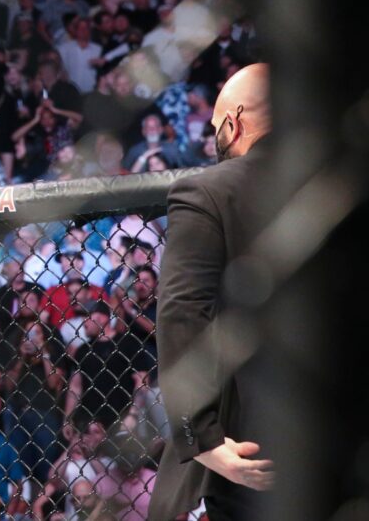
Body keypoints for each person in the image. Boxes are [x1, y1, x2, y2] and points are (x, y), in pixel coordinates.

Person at [150, 64, 276, 520]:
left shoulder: (210, 191)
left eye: (216, 126)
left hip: (249, 445)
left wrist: (202, 439)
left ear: (235, 122)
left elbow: (182, 311)